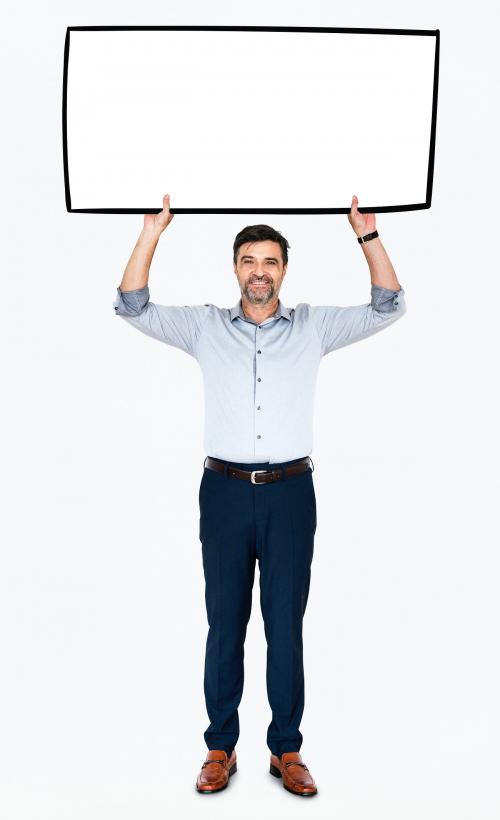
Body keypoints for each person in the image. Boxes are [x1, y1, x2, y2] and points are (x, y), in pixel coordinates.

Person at [113, 193, 407, 797]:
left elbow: (388, 307)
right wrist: (151, 234)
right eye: (248, 260)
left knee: (285, 626)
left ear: (284, 270)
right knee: (224, 623)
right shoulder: (202, 326)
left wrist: (367, 237)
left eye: (269, 261)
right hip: (222, 493)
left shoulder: (314, 326)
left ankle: (287, 748)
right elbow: (132, 306)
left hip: (290, 495)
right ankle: (220, 746)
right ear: (235, 269)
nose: (259, 271)